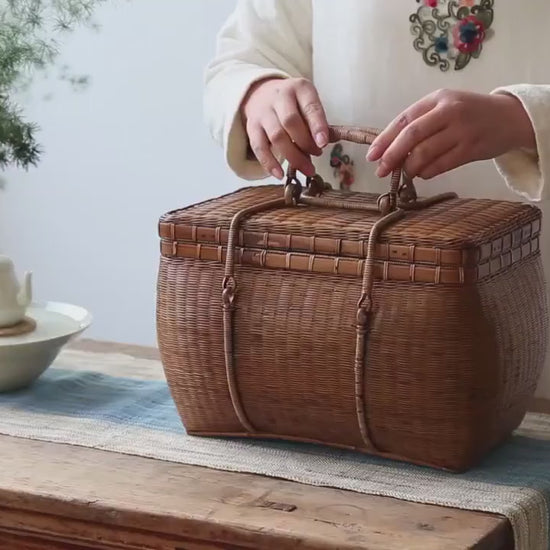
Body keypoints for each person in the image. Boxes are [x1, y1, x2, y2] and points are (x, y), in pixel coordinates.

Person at [203, 0, 550, 397]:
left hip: (531, 306)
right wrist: (259, 92)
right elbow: (239, 59)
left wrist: (523, 118)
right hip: (340, 302)